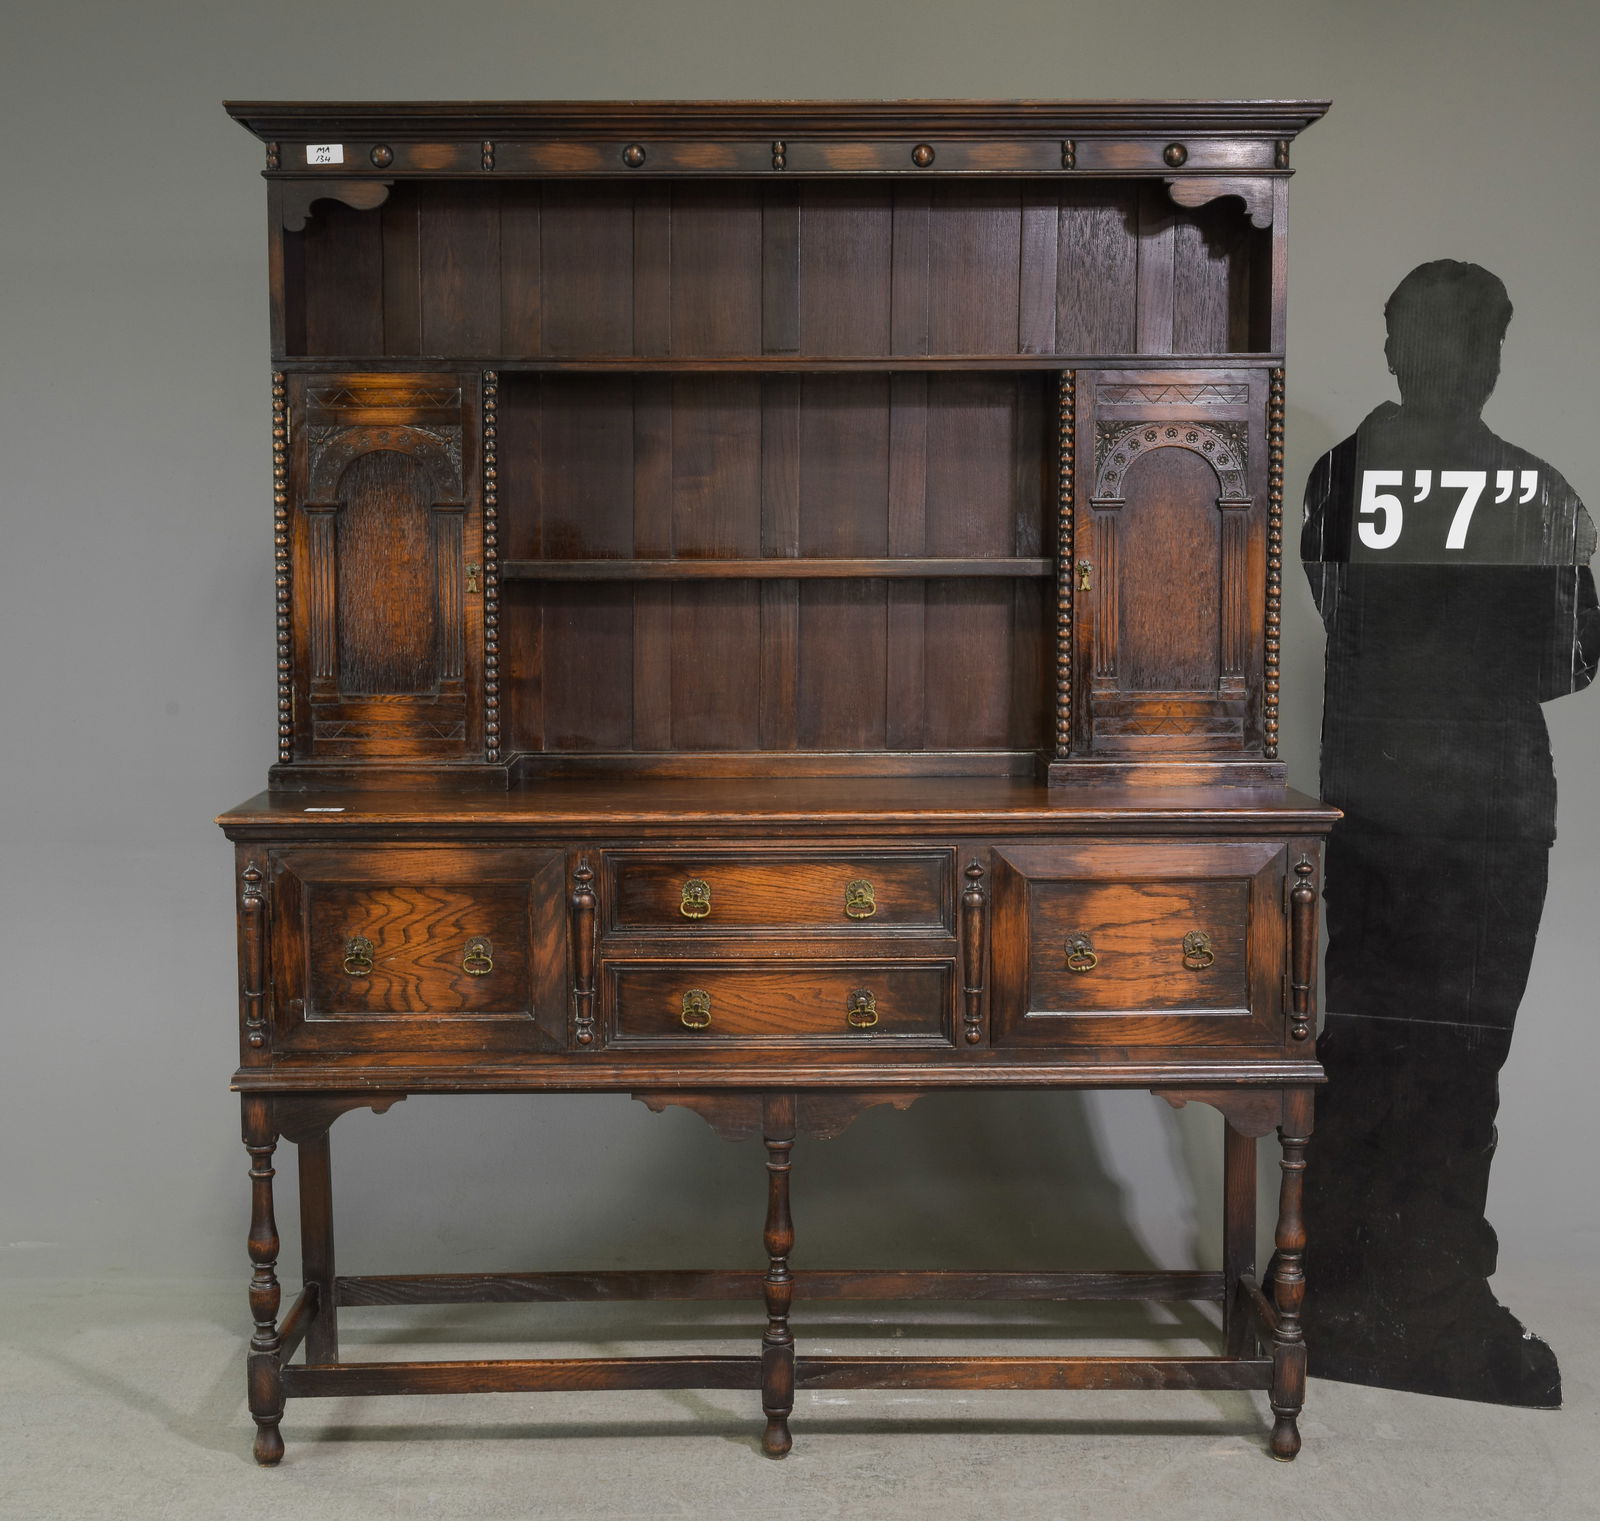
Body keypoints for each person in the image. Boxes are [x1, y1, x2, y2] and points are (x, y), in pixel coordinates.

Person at [1300, 260, 1598, 1406]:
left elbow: (1340, 615)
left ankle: (1341, 1290)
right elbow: (1566, 659)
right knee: (1454, 1058)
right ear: (1489, 354)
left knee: (1365, 1043)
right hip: (1486, 809)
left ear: (1391, 349)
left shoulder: (1338, 477)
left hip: (1375, 798)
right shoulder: (1536, 492)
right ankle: (1420, 1302)